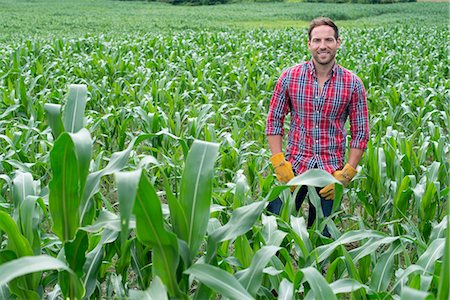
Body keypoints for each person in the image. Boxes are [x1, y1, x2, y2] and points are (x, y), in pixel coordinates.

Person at [265, 17, 369, 237]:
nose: (323, 45)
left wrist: (347, 173)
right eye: (317, 40)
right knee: (274, 231)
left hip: (330, 172)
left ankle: (319, 272)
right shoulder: (290, 77)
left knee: (323, 237)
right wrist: (278, 162)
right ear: (309, 44)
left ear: (338, 42)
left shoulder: (353, 83)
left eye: (329, 40)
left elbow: (360, 133)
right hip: (293, 167)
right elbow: (274, 120)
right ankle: (274, 269)